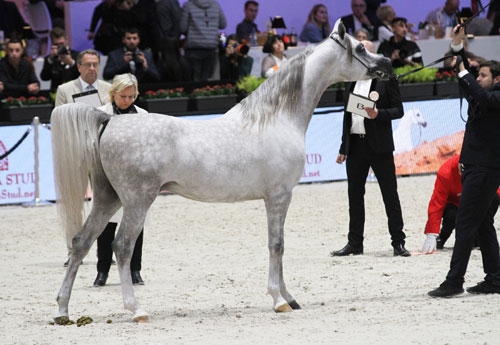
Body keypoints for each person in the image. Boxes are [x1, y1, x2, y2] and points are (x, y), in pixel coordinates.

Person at [428, 25, 500, 297]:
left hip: (485, 168)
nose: (477, 78)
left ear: (496, 78)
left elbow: (477, 92)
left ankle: (454, 280)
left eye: (482, 75)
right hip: (474, 166)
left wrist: (461, 70)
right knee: (482, 224)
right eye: (477, 74)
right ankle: (495, 277)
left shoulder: (495, 96)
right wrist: (457, 49)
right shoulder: (485, 94)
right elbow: (467, 83)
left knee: (466, 223)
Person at [331, 40, 410, 258]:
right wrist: (343, 146)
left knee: (389, 194)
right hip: (356, 145)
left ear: (374, 54)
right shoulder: (351, 80)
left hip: (380, 145)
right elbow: (348, 115)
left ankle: (398, 242)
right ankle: (355, 242)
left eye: (364, 50)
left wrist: (379, 114)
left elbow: (399, 110)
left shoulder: (387, 78)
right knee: (354, 196)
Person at [93, 73, 146, 287]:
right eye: (123, 96)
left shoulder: (143, 115)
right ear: (113, 93)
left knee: (136, 223)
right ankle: (102, 270)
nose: (127, 100)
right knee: (105, 225)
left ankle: (135, 269)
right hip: (108, 177)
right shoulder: (100, 114)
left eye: (132, 96)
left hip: (136, 179)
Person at [179, 0, 227, 82]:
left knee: (193, 80)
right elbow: (223, 24)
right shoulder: (216, 5)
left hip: (193, 48)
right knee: (206, 81)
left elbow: (182, 28)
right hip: (211, 48)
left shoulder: (188, 5)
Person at [39, 27, 79, 92]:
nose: (60, 47)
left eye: (61, 43)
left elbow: (83, 76)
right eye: (56, 44)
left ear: (66, 40)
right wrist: (51, 59)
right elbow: (44, 77)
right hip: (56, 94)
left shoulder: (77, 55)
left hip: (75, 92)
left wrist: (71, 62)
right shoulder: (50, 59)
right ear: (52, 44)